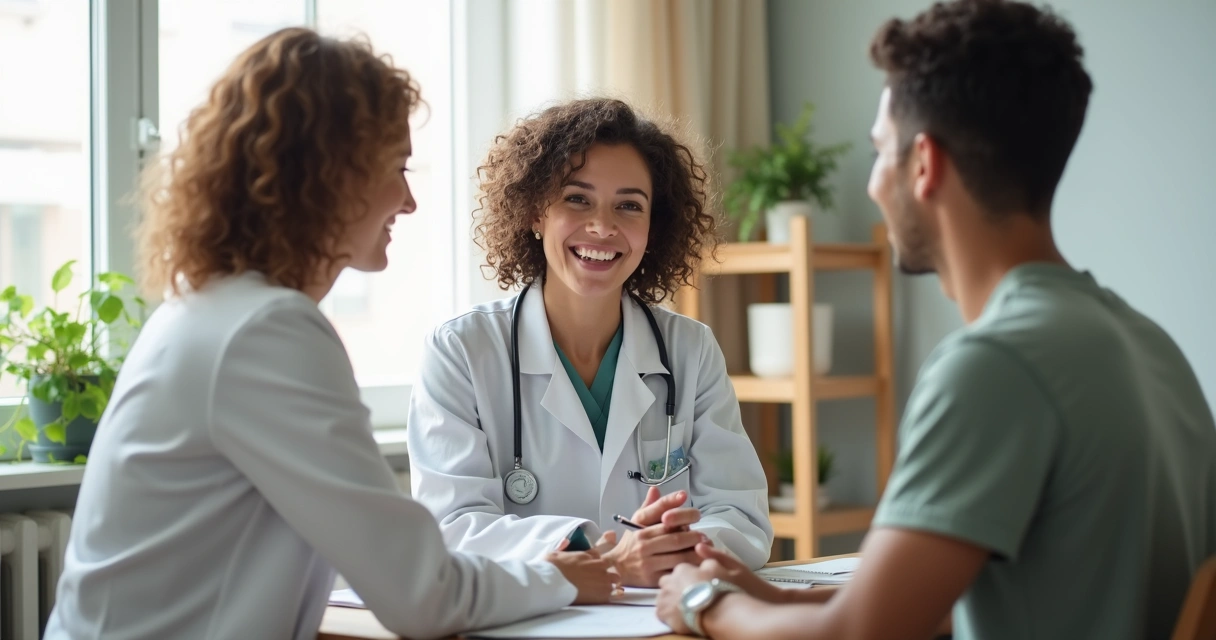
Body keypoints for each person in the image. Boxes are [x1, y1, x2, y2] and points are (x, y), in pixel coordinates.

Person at [653, 1, 1216, 638]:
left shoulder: (997, 365)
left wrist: (705, 606)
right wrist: (766, 600)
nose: (871, 185)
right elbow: (942, 604)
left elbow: (862, 633)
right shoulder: (1148, 345)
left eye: (879, 153)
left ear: (924, 165)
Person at [44, 28, 617, 640]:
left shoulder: (215, 309)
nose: (409, 200)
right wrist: (567, 576)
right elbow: (425, 595)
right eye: (396, 168)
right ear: (326, 175)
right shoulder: (266, 332)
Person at [405, 97, 774, 588]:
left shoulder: (690, 350)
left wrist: (669, 550)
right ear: (536, 211)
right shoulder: (462, 351)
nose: (603, 226)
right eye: (577, 199)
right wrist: (610, 554)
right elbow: (452, 526)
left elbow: (740, 516)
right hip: (527, 623)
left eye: (629, 205)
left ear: (652, 227)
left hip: (659, 617)